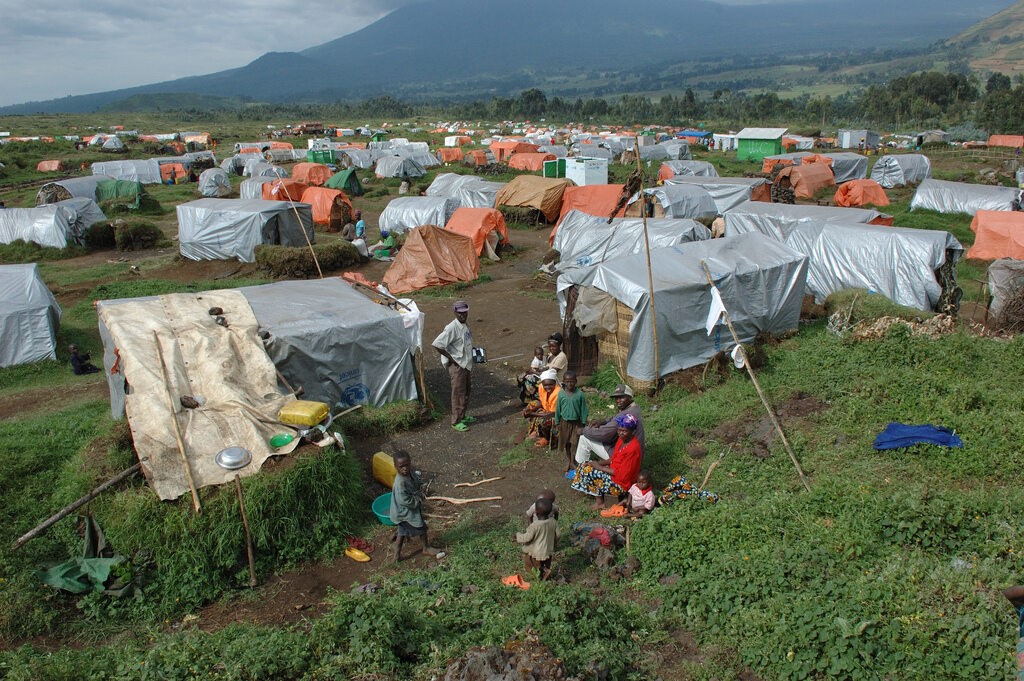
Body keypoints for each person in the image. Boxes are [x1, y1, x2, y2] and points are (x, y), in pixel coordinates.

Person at [570, 413, 643, 510]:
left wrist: (599, 467)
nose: (620, 433)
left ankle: (600, 502)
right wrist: (597, 463)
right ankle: (591, 490)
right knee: (585, 464)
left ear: (632, 431)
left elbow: (622, 475)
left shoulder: (633, 449)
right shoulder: (622, 440)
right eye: (619, 430)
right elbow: (613, 458)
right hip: (614, 473)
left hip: (621, 484)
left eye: (624, 431)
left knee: (588, 471)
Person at [574, 383, 645, 465]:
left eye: (621, 397)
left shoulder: (625, 414)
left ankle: (580, 469)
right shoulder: (635, 408)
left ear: (629, 397)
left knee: (584, 438)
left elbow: (604, 434)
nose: (618, 400)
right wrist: (601, 422)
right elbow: (613, 418)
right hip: (634, 454)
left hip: (625, 457)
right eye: (616, 398)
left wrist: (583, 430)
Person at [389, 452, 441, 562]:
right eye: (401, 466)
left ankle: (396, 556)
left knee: (402, 532)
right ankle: (426, 548)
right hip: (405, 512)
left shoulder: (410, 473)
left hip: (405, 512)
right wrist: (420, 497)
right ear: (395, 467)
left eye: (407, 465)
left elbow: (417, 481)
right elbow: (405, 501)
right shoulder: (400, 483)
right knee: (421, 527)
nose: (405, 468)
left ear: (410, 463)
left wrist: (422, 486)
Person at [432, 300, 473, 431]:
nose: (462, 315)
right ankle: (456, 421)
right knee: (458, 393)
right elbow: (437, 344)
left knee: (466, 391)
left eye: (464, 313)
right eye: (460, 313)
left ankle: (463, 416)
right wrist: (452, 359)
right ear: (455, 312)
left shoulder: (465, 325)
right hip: (457, 366)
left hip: (466, 364)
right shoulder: (451, 328)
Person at [514, 496, 558, 580]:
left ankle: (541, 574)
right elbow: (558, 535)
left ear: (536, 513)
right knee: (546, 562)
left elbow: (527, 538)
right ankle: (546, 570)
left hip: (536, 552)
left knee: (531, 564)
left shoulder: (535, 525)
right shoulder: (553, 522)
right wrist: (555, 543)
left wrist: (518, 535)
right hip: (548, 549)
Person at [554, 371, 588, 476]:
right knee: (566, 443)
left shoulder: (580, 394)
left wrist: (583, 422)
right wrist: (557, 422)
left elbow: (583, 410)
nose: (570, 384)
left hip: (576, 423)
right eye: (567, 382)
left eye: (572, 382)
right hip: (564, 423)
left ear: (576, 382)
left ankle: (573, 461)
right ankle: (569, 460)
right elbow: (558, 409)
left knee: (575, 443)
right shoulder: (561, 394)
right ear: (563, 382)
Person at [522, 369, 559, 447]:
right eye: (545, 385)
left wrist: (532, 413)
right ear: (542, 383)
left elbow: (552, 413)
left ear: (555, 383)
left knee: (546, 420)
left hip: (557, 415)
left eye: (551, 384)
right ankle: (535, 431)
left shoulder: (558, 393)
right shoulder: (542, 387)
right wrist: (530, 410)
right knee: (532, 404)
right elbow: (543, 402)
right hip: (548, 410)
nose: (548, 387)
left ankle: (546, 438)